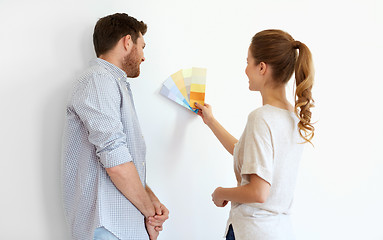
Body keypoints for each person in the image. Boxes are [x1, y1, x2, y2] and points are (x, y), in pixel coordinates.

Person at [195, 29, 315, 240]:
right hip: (280, 231)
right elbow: (245, 152)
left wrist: (221, 192)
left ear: (262, 67)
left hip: (252, 231)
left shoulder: (261, 118)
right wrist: (211, 122)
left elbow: (258, 193)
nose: (245, 70)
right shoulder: (293, 119)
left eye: (248, 62)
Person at [62, 13, 169, 240]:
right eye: (142, 47)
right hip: (108, 228)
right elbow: (116, 162)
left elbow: (121, 160)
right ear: (127, 42)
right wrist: (150, 212)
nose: (143, 56)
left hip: (118, 228)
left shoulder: (111, 83)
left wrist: (151, 200)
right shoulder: (98, 80)